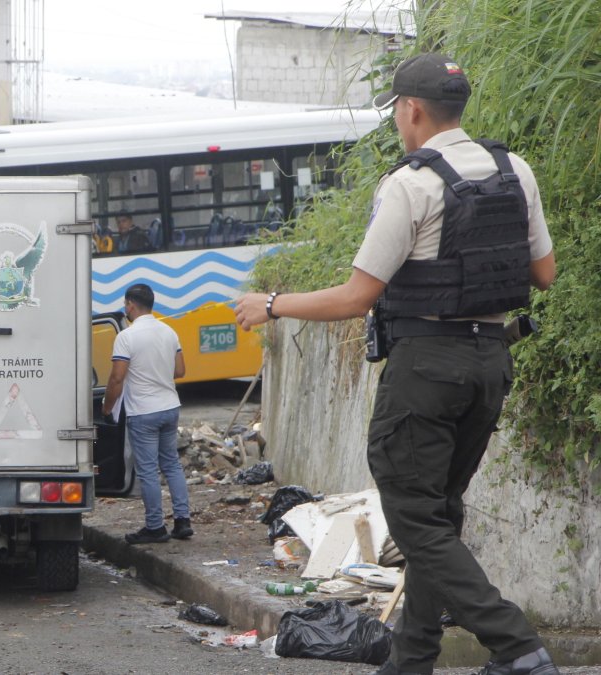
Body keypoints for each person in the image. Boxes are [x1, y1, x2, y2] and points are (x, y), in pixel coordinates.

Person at [234, 53, 558, 675]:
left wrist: (271, 304)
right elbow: (543, 274)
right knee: (438, 517)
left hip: (427, 369)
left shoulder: (409, 184)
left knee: (415, 520)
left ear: (410, 110)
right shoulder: (515, 169)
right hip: (492, 362)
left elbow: (357, 296)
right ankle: (411, 662)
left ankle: (516, 645)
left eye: (397, 114)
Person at [102, 283, 193, 544]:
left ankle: (155, 526)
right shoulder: (169, 331)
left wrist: (107, 407)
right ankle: (182, 521)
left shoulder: (127, 337)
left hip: (143, 412)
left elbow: (117, 378)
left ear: (130, 304)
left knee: (148, 471)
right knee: (172, 465)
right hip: (169, 407)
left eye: (125, 305)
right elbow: (180, 371)